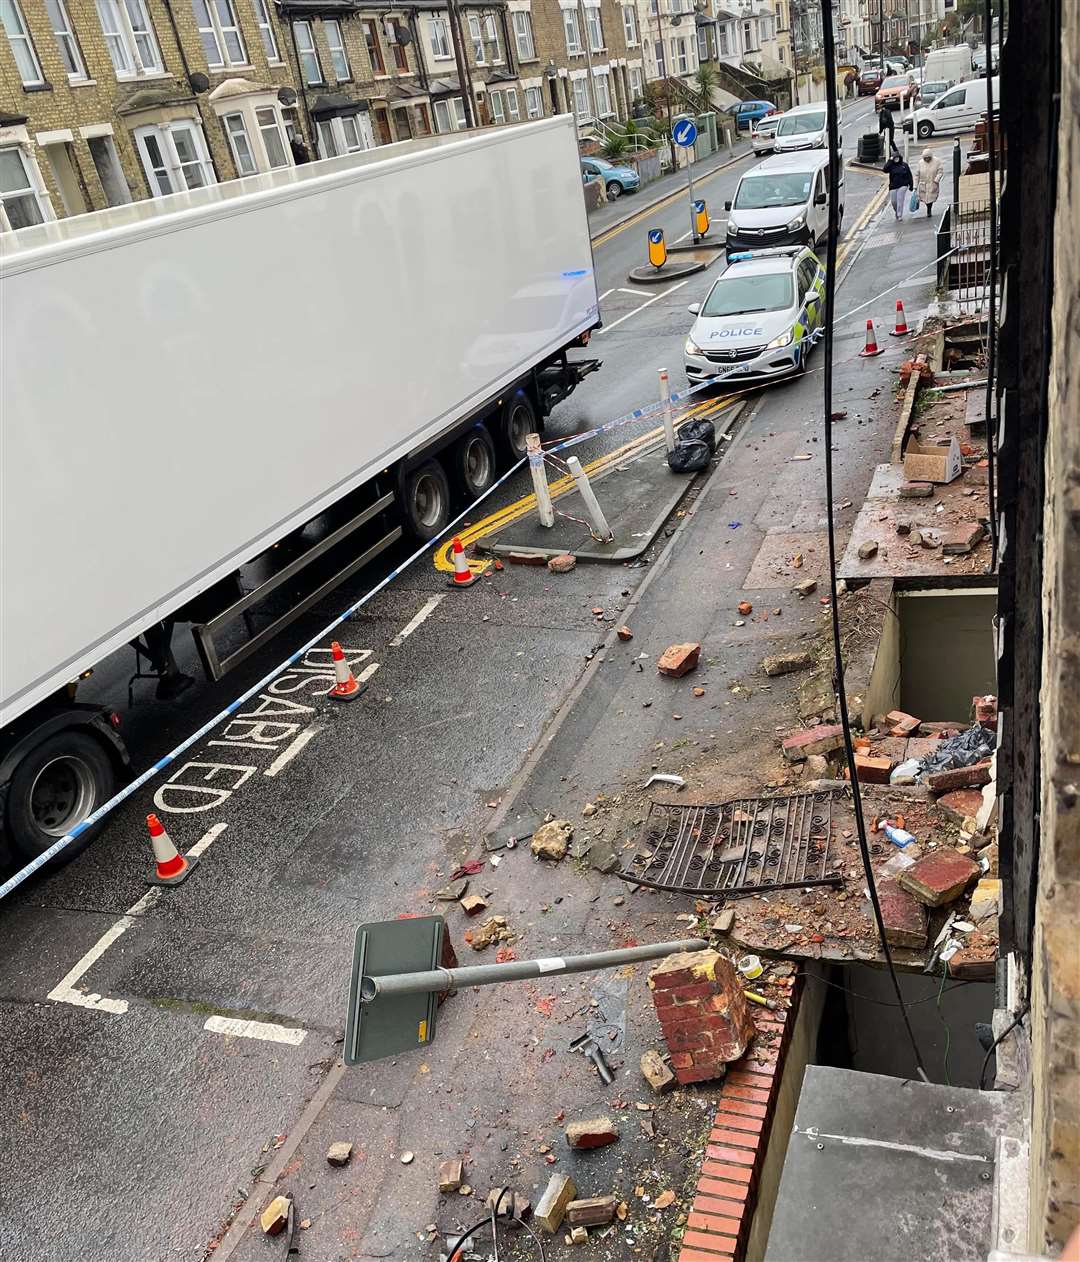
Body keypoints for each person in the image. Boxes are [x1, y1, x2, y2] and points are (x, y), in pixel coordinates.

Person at [884, 150, 914, 220]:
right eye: (895, 158)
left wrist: (911, 185)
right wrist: (890, 161)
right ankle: (897, 212)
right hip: (893, 186)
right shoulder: (891, 165)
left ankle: (899, 215)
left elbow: (909, 175)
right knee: (894, 202)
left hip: (903, 185)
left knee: (900, 200)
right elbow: (884, 170)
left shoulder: (904, 165)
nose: (896, 159)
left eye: (897, 158)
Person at [916, 147, 944, 218]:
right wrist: (915, 185)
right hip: (923, 184)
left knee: (930, 198)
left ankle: (929, 210)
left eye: (928, 157)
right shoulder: (920, 163)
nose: (927, 159)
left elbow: (940, 172)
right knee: (925, 198)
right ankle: (928, 208)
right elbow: (917, 174)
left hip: (932, 182)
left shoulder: (937, 161)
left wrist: (936, 180)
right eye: (925, 158)